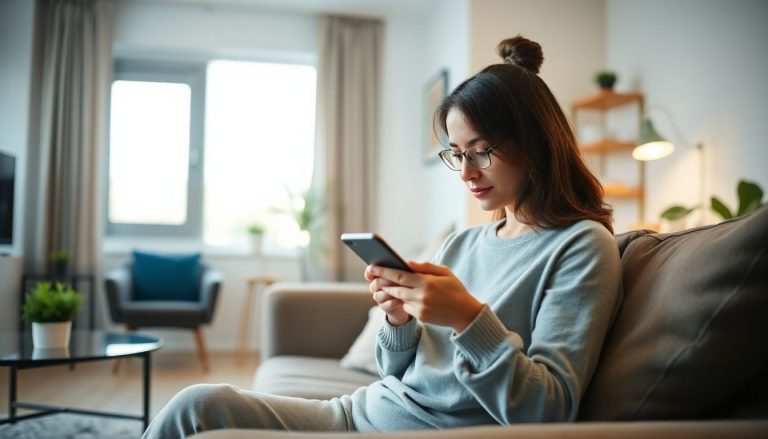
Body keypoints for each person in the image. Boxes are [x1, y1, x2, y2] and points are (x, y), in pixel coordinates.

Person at [141, 35, 622, 438]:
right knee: (198, 405)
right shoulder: (463, 244)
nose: (467, 173)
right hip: (359, 413)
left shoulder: (580, 246)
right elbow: (398, 374)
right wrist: (397, 321)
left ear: (533, 143)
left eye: (482, 151)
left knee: (201, 413)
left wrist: (467, 318)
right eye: (456, 154)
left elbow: (549, 410)